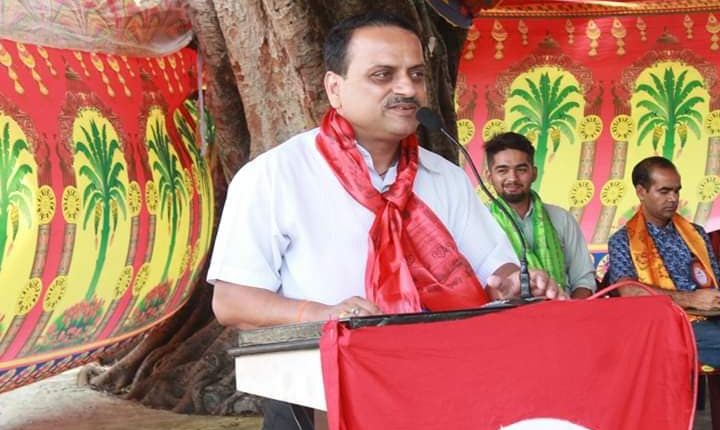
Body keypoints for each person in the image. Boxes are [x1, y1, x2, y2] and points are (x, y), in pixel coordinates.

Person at [207, 11, 560, 430]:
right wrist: (325, 314)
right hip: (317, 397)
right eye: (382, 75)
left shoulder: (445, 177)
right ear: (334, 88)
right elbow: (231, 302)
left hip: (437, 391)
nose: (408, 89)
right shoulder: (275, 176)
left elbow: (494, 268)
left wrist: (514, 281)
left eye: (417, 75)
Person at [608, 156, 720, 367]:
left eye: (676, 191)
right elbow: (628, 291)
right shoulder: (622, 240)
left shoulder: (696, 233)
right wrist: (691, 299)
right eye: (664, 191)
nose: (673, 198)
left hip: (712, 314)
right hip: (668, 323)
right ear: (641, 192)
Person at [484, 132, 597, 299]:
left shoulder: (561, 218)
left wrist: (570, 310)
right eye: (502, 170)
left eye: (521, 170)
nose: (512, 178)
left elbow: (584, 280)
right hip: (506, 314)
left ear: (534, 173)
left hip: (563, 308)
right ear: (489, 176)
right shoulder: (481, 222)